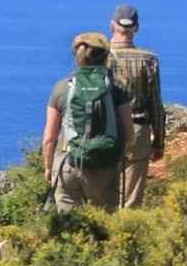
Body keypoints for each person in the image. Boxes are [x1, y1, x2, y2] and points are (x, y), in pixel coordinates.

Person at [43, 31, 130, 213]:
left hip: (68, 163)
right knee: (105, 225)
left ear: (77, 56)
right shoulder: (117, 88)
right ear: (106, 56)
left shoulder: (62, 88)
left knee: (68, 226)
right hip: (104, 167)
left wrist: (48, 168)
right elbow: (128, 131)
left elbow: (49, 138)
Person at [107, 3, 166, 208]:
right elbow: (155, 104)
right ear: (136, 28)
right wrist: (158, 141)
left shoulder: (98, 57)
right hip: (138, 130)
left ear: (111, 26)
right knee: (131, 201)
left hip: (106, 131)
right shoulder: (149, 60)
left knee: (105, 196)